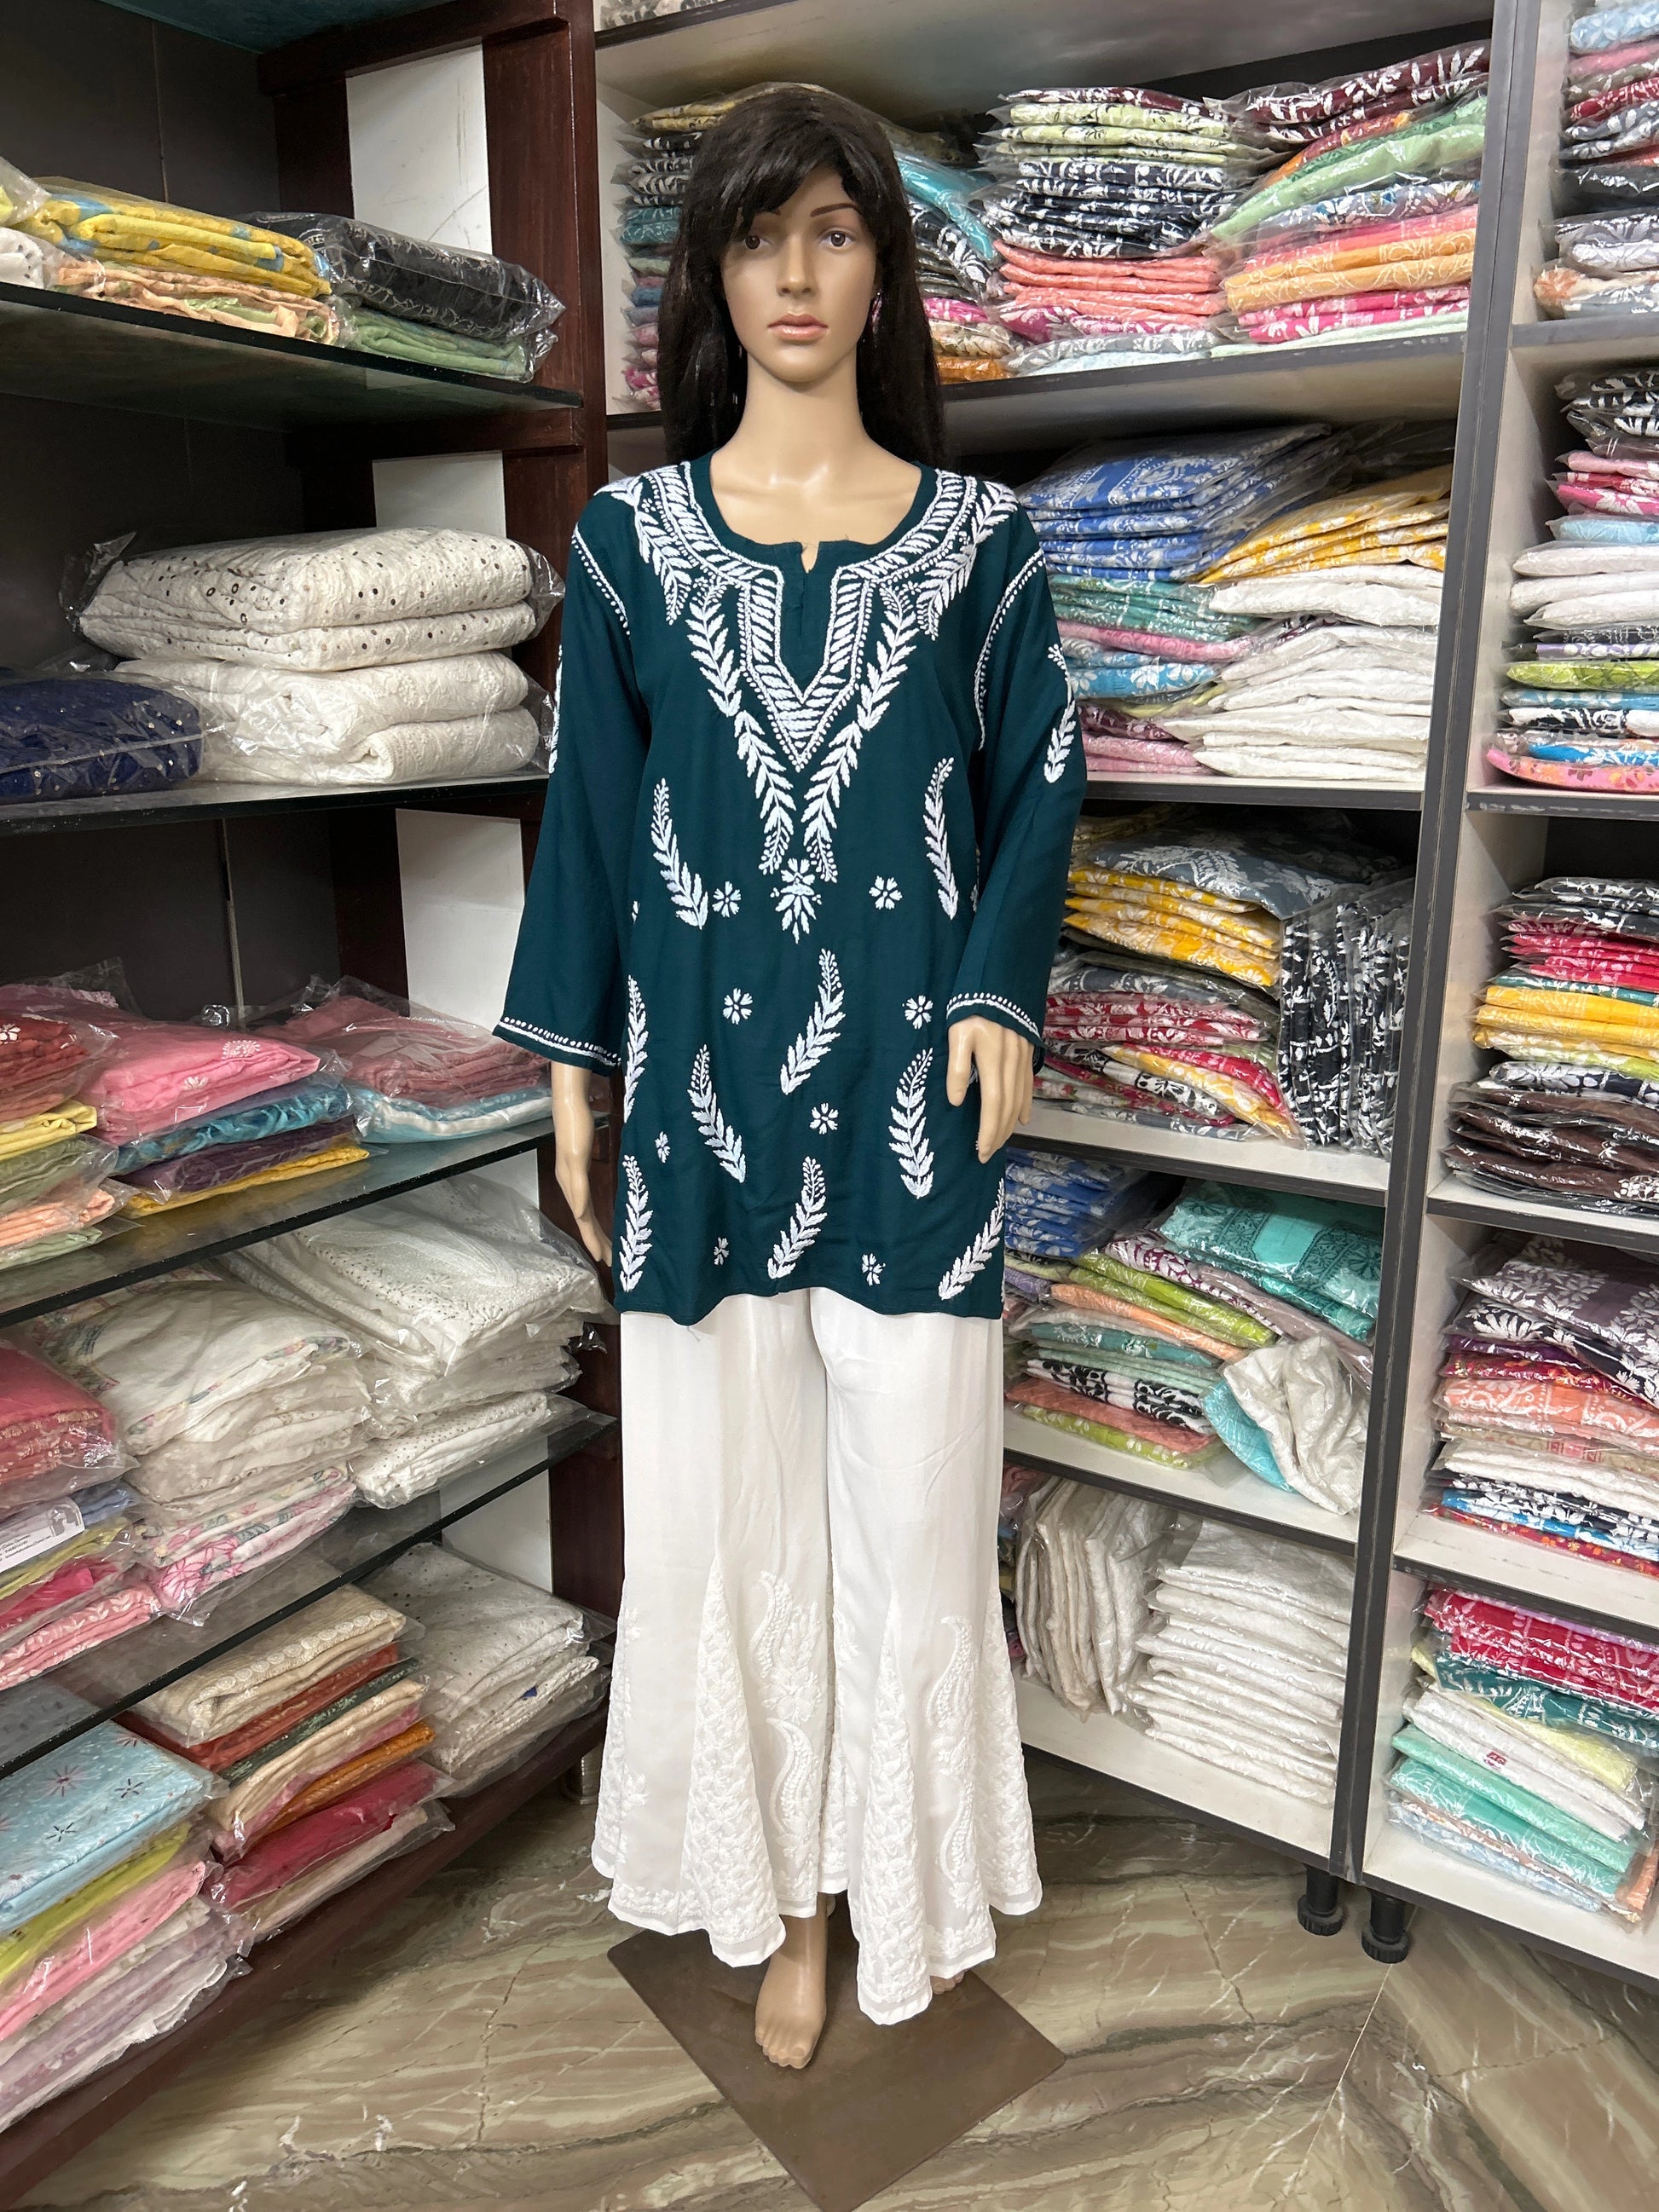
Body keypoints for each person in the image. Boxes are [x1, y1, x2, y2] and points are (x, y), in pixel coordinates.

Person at [498, 84, 1084, 2068]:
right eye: (760, 236)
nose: (798, 274)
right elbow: (589, 822)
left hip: (917, 1107)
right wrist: (572, 1070)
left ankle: (897, 1885)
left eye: (835, 232)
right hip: (694, 1116)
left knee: (907, 1519)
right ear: (711, 274)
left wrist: (998, 992)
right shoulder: (630, 545)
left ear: (884, 271)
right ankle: (791, 1903)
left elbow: (1042, 782)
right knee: (729, 1517)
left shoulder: (981, 546)